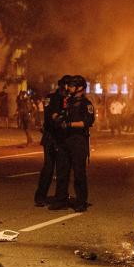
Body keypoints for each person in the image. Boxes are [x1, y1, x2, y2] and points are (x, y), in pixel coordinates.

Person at [51, 75, 95, 212]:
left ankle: (81, 202)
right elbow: (58, 114)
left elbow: (87, 122)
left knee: (79, 173)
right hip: (64, 140)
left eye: (71, 86)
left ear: (80, 88)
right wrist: (57, 118)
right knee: (62, 171)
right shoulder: (67, 101)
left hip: (78, 141)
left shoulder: (86, 104)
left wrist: (70, 124)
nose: (68, 88)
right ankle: (61, 200)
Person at [35, 75, 71, 206]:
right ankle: (46, 197)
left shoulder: (62, 98)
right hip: (54, 137)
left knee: (57, 168)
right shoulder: (55, 98)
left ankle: (55, 196)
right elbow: (52, 117)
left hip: (58, 137)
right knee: (52, 168)